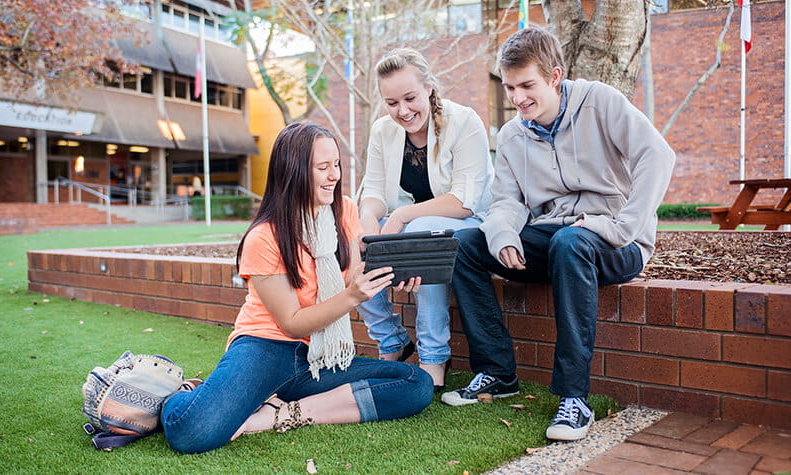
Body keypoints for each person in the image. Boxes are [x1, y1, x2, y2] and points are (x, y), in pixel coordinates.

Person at [442, 28, 676, 442]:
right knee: (465, 245)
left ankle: (574, 398)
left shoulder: (599, 102)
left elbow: (656, 155)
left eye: (527, 85)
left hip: (615, 242)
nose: (517, 98)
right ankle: (497, 372)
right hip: (554, 239)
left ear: (554, 75)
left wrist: (622, 227)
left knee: (571, 242)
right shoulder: (514, 133)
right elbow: (507, 203)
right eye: (510, 87)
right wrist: (504, 237)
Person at [161, 122, 433, 454]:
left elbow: (352, 278)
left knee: (415, 384)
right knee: (191, 431)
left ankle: (281, 413)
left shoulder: (342, 209)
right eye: (323, 167)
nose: (334, 175)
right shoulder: (263, 238)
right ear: (293, 171)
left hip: (320, 355)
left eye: (336, 165)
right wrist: (352, 296)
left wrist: (394, 277)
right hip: (265, 348)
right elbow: (291, 322)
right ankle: (182, 394)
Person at [357, 48, 494, 390]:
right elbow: (372, 192)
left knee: (422, 233)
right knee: (349, 239)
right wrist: (368, 229)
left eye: (410, 98)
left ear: (429, 87)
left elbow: (464, 201)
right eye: (391, 103)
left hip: (473, 223)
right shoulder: (382, 131)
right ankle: (393, 342)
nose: (402, 111)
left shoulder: (464, 121)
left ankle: (434, 358)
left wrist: (402, 216)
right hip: (412, 226)